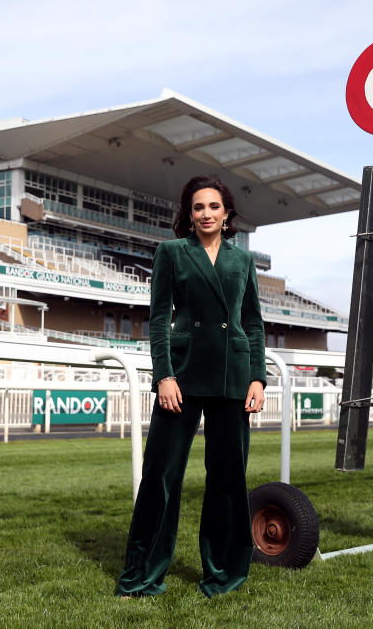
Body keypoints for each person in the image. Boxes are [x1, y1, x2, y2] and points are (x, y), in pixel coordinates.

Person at [116, 175, 266, 599]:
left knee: (227, 479)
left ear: (226, 213)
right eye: (198, 207)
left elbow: (252, 323)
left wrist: (258, 377)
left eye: (213, 206)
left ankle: (223, 574)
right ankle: (142, 575)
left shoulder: (242, 261)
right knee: (161, 476)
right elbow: (159, 318)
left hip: (233, 378)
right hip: (180, 377)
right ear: (188, 214)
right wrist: (163, 375)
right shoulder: (171, 253)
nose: (206, 214)